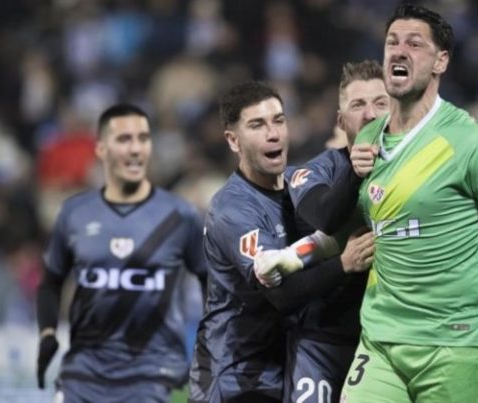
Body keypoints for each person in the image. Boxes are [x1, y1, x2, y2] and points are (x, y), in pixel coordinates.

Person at [342, 4, 478, 402]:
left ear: (441, 60)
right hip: (381, 338)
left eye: (414, 43)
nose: (398, 51)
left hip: (458, 342)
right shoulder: (367, 141)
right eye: (392, 42)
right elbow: (360, 227)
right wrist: (296, 256)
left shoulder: (473, 143)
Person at [187, 81, 373, 403]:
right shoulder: (233, 209)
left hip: (282, 361)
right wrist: (345, 264)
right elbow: (282, 294)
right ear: (233, 140)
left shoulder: (299, 188)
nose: (273, 134)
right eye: (257, 125)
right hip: (235, 372)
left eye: (279, 120)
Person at [35, 103, 207, 402]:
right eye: (124, 139)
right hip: (82, 372)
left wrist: (210, 344)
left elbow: (212, 281)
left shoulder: (179, 216)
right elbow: (51, 281)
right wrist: (47, 333)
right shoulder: (75, 213)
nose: (135, 149)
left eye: (143, 138)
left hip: (153, 374)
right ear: (101, 149)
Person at [254, 60, 389, 403]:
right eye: (358, 105)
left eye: (380, 103)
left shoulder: (422, 168)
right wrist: (355, 172)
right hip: (324, 340)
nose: (370, 115)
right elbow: (324, 216)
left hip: (391, 339)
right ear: (342, 120)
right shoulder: (314, 171)